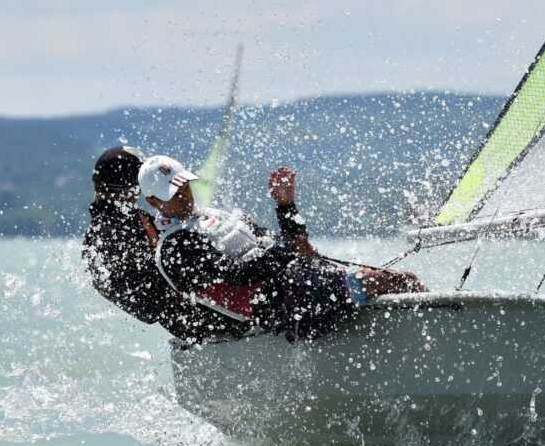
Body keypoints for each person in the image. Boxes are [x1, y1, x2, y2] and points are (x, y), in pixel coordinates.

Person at [139, 155, 424, 342]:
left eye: (184, 187)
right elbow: (238, 274)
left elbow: (291, 246)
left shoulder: (215, 217)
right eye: (173, 194)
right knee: (397, 281)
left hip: (295, 282)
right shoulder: (175, 247)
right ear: (153, 201)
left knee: (403, 280)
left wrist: (286, 206)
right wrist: (288, 251)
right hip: (278, 304)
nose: (184, 196)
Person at [82, 146, 249, 344]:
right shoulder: (131, 226)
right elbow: (151, 303)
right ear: (135, 188)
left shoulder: (97, 238)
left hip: (189, 322)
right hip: (210, 319)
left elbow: (143, 308)